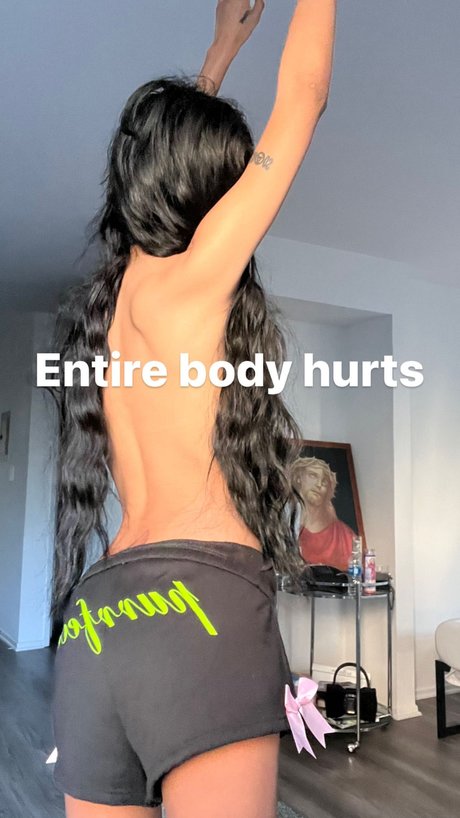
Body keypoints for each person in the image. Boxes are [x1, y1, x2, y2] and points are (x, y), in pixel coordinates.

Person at [49, 2, 336, 816]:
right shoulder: (199, 277)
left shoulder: (116, 301)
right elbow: (304, 96)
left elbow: (164, 160)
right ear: (213, 194)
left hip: (98, 623)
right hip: (198, 608)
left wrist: (220, 51)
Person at [293, 456, 356, 570]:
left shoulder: (345, 536)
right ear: (298, 478)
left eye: (324, 481)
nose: (319, 484)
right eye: (313, 475)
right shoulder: (283, 528)